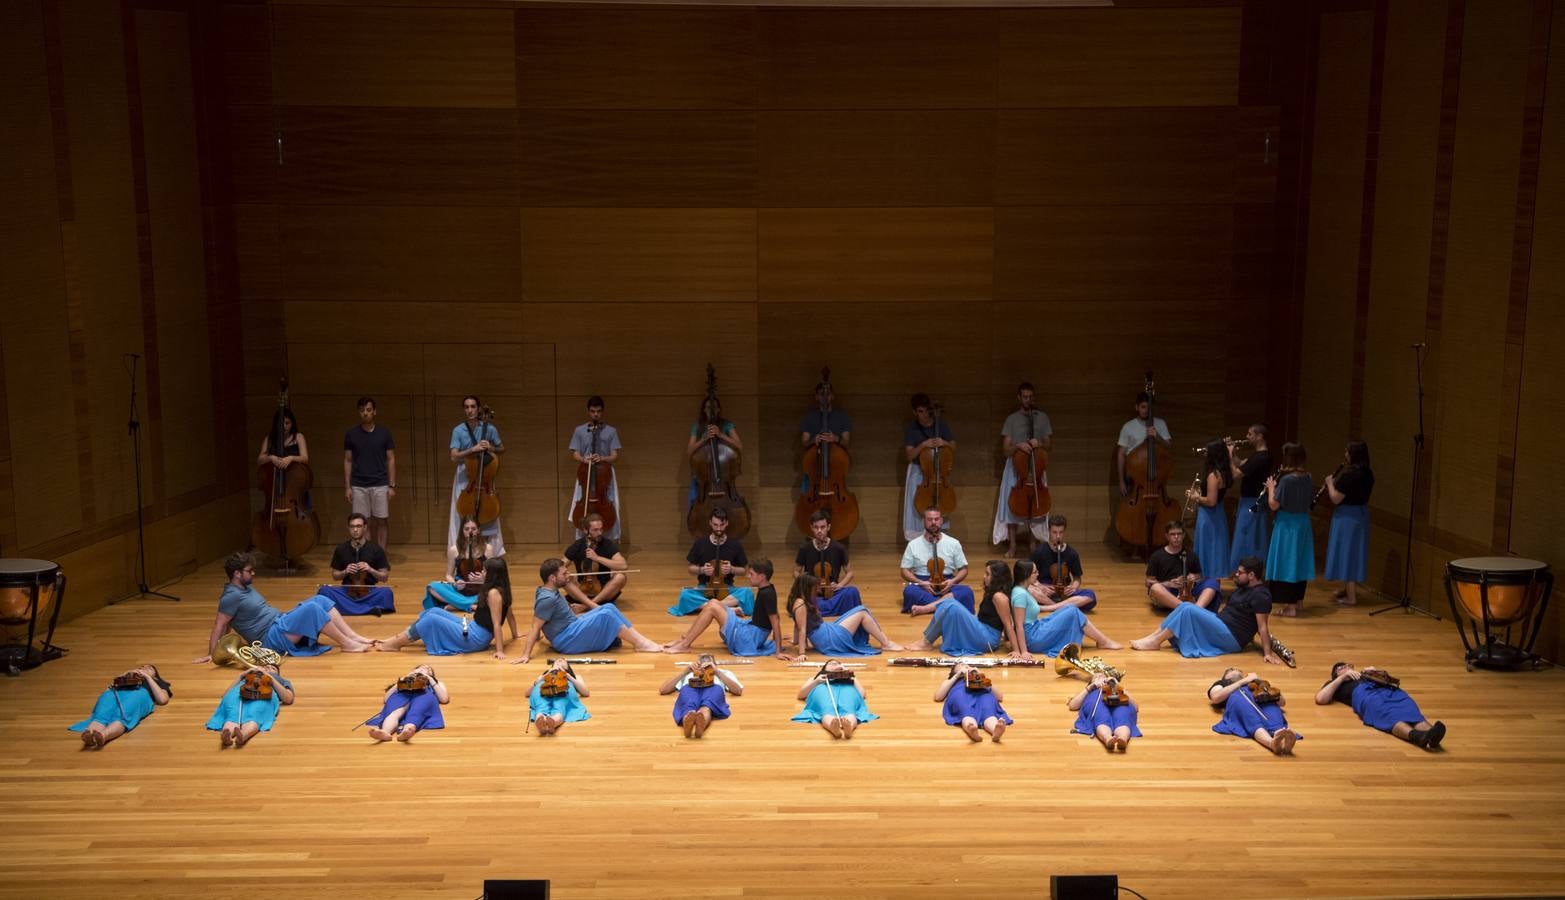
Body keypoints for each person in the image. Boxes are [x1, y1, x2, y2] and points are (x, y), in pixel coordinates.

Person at [194, 552, 375, 661]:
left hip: (279, 622)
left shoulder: (245, 587)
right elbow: (220, 625)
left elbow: (227, 625)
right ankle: (347, 644)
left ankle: (352, 636)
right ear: (236, 574)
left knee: (320, 600)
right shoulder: (230, 596)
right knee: (311, 610)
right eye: (249, 571)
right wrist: (213, 653)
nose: (253, 573)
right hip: (270, 639)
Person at [1130, 556, 1285, 663]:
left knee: (1189, 610)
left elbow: (1262, 626)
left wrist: (1268, 653)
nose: (1236, 575)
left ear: (1251, 575)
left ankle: (1156, 641)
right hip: (1222, 624)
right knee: (1184, 606)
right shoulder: (1244, 588)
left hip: (1231, 637)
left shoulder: (1261, 595)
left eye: (1240, 572)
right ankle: (1153, 637)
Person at [514, 558, 665, 664]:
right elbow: (535, 626)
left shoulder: (547, 589)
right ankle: (641, 643)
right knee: (606, 615)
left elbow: (543, 616)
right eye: (564, 574)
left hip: (572, 627)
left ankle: (641, 641)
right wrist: (525, 655)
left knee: (609, 608)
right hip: (566, 639)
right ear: (552, 578)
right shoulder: (547, 599)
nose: (568, 575)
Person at [374, 558, 519, 659]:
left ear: (493, 575)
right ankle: (397, 638)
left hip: (476, 637)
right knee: (433, 611)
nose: (482, 573)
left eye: (485, 571)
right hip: (473, 626)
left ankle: (395, 643)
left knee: (431, 620)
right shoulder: (502, 589)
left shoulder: (494, 594)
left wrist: (500, 650)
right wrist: (515, 634)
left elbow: (496, 624)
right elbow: (510, 616)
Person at [663, 559, 788, 659]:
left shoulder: (767, 593)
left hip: (748, 639)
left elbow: (775, 621)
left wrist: (778, 651)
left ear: (762, 577)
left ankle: (684, 644)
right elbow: (773, 616)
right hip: (749, 631)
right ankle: (685, 640)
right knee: (713, 602)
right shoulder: (767, 589)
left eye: (751, 574)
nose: (748, 576)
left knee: (712, 608)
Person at [1314, 662, 1446, 750]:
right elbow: (1320, 698)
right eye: (1342, 667)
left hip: (1389, 691)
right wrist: (1342, 678)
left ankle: (1432, 734)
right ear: (1335, 674)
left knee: (1409, 710)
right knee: (1389, 715)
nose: (1347, 667)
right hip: (1367, 696)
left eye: (1349, 665)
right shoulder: (1336, 684)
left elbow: (1390, 681)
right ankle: (1416, 736)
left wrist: (1375, 672)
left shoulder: (1365, 674)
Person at [1008, 560, 1121, 661]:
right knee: (1072, 612)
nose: (1038, 574)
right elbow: (1019, 626)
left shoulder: (1024, 590)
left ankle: (1103, 641)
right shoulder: (1020, 594)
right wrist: (1024, 651)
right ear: (1026, 575)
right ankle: (1103, 641)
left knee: (1070, 609)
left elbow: (1032, 609)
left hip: (1036, 627)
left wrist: (1060, 608)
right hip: (1033, 637)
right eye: (1035, 572)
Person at [903, 560, 1011, 658]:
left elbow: (1008, 624)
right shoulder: (992, 592)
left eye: (987, 574)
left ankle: (926, 642)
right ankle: (926, 640)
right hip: (983, 630)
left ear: (997, 578)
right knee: (949, 603)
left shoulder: (999, 597)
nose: (984, 576)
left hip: (988, 639)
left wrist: (1017, 650)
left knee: (951, 605)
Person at [785, 573, 903, 659]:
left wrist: (795, 641)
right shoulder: (800, 603)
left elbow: (797, 624)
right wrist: (801, 653)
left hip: (825, 632)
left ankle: (885, 642)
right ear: (806, 588)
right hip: (827, 638)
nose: (816, 591)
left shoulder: (799, 601)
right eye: (814, 588)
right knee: (862, 612)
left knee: (862, 610)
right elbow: (802, 629)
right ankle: (886, 643)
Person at [994, 382, 1052, 556]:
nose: (1028, 400)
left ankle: (1033, 544)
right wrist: (1018, 445)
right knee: (1012, 506)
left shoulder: (1042, 417)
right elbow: (1006, 450)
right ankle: (1012, 545)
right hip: (1016, 468)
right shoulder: (1011, 419)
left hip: (1036, 468)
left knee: (1036, 507)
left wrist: (1039, 442)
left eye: (1030, 397)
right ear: (1019, 397)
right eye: (1025, 397)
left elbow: (1049, 445)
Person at [448, 395, 504, 556]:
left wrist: (491, 448)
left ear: (478, 409)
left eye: (473, 406)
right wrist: (471, 450)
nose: (470, 410)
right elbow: (454, 456)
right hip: (466, 476)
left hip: (485, 476)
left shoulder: (490, 429)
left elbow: (502, 449)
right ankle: (462, 549)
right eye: (466, 407)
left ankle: (489, 551)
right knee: (463, 512)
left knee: (489, 512)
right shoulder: (458, 430)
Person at [68, 665, 172, 749]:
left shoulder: (158, 683)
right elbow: (111, 686)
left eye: (149, 668)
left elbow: (163, 699)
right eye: (141, 667)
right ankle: (90, 734)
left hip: (138, 695)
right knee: (101, 714)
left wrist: (148, 677)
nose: (143, 668)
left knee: (121, 716)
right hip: (116, 692)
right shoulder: (130, 677)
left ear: (155, 676)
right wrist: (126, 674)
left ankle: (103, 735)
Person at [671, 508, 752, 616]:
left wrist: (731, 569)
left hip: (727, 588)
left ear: (727, 523)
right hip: (705, 588)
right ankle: (728, 609)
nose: (718, 529)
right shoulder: (700, 543)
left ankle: (708, 607)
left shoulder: (735, 545)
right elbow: (690, 569)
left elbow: (743, 570)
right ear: (710, 523)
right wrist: (702, 570)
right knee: (685, 595)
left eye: (721, 525)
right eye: (715, 525)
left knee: (746, 592)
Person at [1264, 442, 1314, 617]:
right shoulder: (1308, 477)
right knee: (1299, 562)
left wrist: (1271, 488)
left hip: (1287, 525)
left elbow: (1274, 505)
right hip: (1303, 523)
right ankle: (1298, 602)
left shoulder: (1287, 480)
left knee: (1287, 563)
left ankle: (1290, 607)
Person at [1323, 440, 1375, 606]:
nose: (1345, 454)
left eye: (1347, 451)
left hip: (1347, 517)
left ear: (1354, 454)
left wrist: (1329, 483)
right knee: (1353, 552)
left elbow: (1335, 498)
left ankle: (1351, 597)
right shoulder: (1368, 473)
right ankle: (1347, 590)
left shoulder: (1350, 475)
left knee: (1347, 553)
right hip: (1360, 515)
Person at [343, 396, 394, 552]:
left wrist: (392, 485)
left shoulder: (384, 433)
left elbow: (391, 459)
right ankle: (367, 555)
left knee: (382, 520)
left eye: (368, 409)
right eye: (362, 410)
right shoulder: (351, 434)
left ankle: (381, 555)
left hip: (380, 483)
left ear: (374, 411)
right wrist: (348, 487)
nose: (365, 413)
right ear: (358, 412)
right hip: (358, 485)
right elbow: (348, 460)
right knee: (363, 522)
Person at [901, 507, 975, 615]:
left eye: (936, 519)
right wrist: (921, 583)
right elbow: (904, 571)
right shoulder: (913, 544)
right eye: (929, 519)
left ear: (941, 521)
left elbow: (964, 569)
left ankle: (927, 608)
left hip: (947, 582)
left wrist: (952, 582)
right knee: (909, 591)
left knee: (967, 591)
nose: (933, 522)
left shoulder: (953, 543)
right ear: (923, 521)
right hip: (923, 583)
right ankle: (949, 603)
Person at [1208, 667, 1298, 755]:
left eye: (1238, 670)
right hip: (1237, 698)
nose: (1235, 669)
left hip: (1258, 699)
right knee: (1251, 718)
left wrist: (1263, 685)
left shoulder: (1254, 683)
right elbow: (1215, 697)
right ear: (1224, 677)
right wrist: (1244, 681)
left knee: (1272, 709)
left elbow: (1282, 703)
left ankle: (1282, 738)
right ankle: (1271, 743)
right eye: (1231, 670)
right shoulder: (1222, 683)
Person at [902, 393, 956, 541]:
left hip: (939, 473)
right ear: (915, 412)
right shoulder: (912, 428)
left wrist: (944, 443)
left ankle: (939, 539)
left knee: (940, 503)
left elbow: (953, 447)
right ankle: (918, 541)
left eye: (926, 411)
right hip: (919, 472)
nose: (924, 415)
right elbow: (909, 455)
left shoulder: (941, 425)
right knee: (917, 506)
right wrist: (923, 445)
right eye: (920, 412)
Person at [568, 396, 623, 540]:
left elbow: (614, 456)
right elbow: (575, 454)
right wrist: (584, 459)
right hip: (585, 472)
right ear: (588, 411)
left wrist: (602, 458)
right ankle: (582, 542)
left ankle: (607, 543)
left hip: (604, 474)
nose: (595, 414)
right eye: (592, 411)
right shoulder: (579, 430)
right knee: (581, 501)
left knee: (611, 503)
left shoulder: (611, 431)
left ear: (602, 411)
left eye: (598, 411)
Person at [318, 513, 394, 615]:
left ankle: (346, 608)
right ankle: (368, 609)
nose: (355, 530)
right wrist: (345, 571)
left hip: (368, 591)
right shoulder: (341, 549)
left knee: (386, 592)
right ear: (348, 528)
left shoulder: (376, 549)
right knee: (324, 590)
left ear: (365, 527)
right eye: (352, 526)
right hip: (346, 591)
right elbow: (335, 576)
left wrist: (370, 569)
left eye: (358, 526)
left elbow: (384, 577)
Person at [256, 404, 312, 539]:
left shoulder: (298, 437)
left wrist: (291, 458)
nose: (284, 426)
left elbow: (305, 458)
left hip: (294, 487)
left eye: (287, 423)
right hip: (275, 490)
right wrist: (271, 457)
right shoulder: (270, 439)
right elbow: (260, 460)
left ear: (292, 423)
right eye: (281, 423)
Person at [206, 663, 294, 748]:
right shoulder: (247, 676)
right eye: (265, 666)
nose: (268, 668)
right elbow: (226, 695)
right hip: (240, 690)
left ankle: (243, 735)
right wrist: (243, 675)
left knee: (255, 713)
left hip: (265, 692)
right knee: (233, 713)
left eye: (273, 668)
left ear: (277, 674)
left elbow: (289, 698)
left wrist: (269, 676)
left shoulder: (280, 680)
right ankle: (227, 735)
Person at [795, 509, 862, 618]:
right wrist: (807, 585)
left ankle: (820, 609)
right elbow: (795, 572)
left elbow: (850, 573)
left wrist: (839, 585)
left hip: (833, 593)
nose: (819, 531)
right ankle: (833, 608)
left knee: (853, 592)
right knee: (799, 600)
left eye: (823, 527)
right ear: (811, 528)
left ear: (829, 527)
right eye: (816, 527)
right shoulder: (805, 548)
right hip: (813, 594)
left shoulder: (839, 548)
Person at [686, 394, 743, 521]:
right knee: (694, 510)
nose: (711, 410)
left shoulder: (727, 424)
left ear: (718, 409)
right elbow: (689, 452)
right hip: (702, 480)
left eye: (714, 407)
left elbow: (739, 446)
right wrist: (703, 439)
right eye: (708, 407)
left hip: (723, 478)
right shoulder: (697, 426)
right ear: (704, 409)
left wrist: (721, 435)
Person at [660, 653, 743, 739]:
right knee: (688, 707)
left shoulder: (724, 673)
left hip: (713, 688)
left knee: (706, 707)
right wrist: (685, 672)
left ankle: (701, 725)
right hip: (690, 688)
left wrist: (717, 672)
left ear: (715, 664)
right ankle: (687, 725)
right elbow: (663, 690)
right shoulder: (688, 673)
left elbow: (738, 690)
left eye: (708, 664)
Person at [799, 375, 852, 508]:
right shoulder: (809, 417)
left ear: (832, 396)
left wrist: (836, 439)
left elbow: (847, 442)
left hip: (836, 480)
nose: (824, 397)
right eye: (821, 394)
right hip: (815, 477)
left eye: (827, 394)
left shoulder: (842, 416)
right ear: (816, 396)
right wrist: (814, 440)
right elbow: (804, 442)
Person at [1028, 515, 1098, 613]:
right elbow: (1028, 576)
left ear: (1064, 532)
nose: (1058, 536)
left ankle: (1051, 607)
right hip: (1045, 592)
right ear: (1049, 531)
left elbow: (1077, 578)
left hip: (1064, 592)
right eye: (1054, 532)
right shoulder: (1038, 552)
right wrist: (1039, 586)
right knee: (1029, 590)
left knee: (1090, 595)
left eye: (1061, 532)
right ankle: (1064, 606)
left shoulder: (1072, 553)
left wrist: (1073, 587)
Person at [1186, 438, 1233, 582]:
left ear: (1213, 454)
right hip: (1218, 514)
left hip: (1209, 516)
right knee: (1215, 549)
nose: (1205, 453)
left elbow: (1211, 501)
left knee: (1208, 549)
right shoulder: (1223, 472)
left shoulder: (1213, 475)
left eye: (1207, 451)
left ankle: (1208, 585)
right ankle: (1212, 584)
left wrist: (1195, 497)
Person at [1145, 521, 1221, 610]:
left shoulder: (1191, 554)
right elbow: (1148, 582)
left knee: (1213, 581)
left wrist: (1191, 577)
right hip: (1168, 592)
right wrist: (1167, 584)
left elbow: (1199, 576)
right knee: (1155, 588)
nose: (1176, 537)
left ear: (1183, 535)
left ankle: (1196, 608)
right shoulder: (1157, 556)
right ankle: (1188, 609)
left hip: (1187, 591)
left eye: (1179, 534)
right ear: (1167, 536)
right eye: (1172, 534)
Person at [792, 659, 875, 740]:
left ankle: (850, 727)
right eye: (832, 664)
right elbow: (801, 695)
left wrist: (850, 675)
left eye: (838, 664)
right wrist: (816, 682)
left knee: (848, 708)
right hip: (823, 689)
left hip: (846, 689)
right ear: (824, 669)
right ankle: (833, 728)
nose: (836, 665)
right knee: (827, 708)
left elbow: (861, 694)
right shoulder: (815, 679)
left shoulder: (850, 678)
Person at [364, 664, 448, 743]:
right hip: (403, 695)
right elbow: (386, 699)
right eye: (420, 667)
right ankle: (385, 732)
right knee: (395, 712)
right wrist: (401, 681)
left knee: (417, 711)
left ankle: (407, 729)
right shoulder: (404, 680)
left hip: (424, 695)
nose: (423, 669)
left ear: (431, 674)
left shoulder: (436, 683)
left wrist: (430, 679)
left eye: (427, 669)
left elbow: (444, 699)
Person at [563, 512, 629, 610]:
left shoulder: (607, 544)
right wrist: (565, 573)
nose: (600, 533)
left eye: (601, 529)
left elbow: (623, 565)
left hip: (604, 592)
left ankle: (586, 606)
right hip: (581, 590)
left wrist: (597, 558)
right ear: (586, 530)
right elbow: (561, 565)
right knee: (563, 577)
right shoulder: (578, 545)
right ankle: (591, 605)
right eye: (595, 530)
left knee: (621, 577)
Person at [934, 661, 1010, 743]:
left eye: (967, 665)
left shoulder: (980, 678)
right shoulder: (952, 680)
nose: (966, 666)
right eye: (961, 665)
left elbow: (999, 697)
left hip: (982, 693)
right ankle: (971, 729)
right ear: (954, 672)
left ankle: (995, 730)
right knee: (966, 712)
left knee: (988, 711)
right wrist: (957, 675)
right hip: (961, 694)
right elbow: (938, 697)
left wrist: (982, 676)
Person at [1116, 390, 1172, 500]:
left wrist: (1158, 437)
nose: (1146, 410)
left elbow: (1168, 446)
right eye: (1143, 407)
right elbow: (1121, 455)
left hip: (1156, 477)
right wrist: (1121, 480)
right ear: (1136, 407)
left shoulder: (1161, 423)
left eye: (1149, 407)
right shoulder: (1128, 427)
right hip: (1134, 478)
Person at [1229, 424, 1272, 564]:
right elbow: (1241, 463)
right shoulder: (1258, 456)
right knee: (1248, 536)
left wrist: (1228, 455)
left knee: (1247, 536)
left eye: (1250, 434)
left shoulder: (1261, 458)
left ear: (1259, 436)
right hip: (1251, 501)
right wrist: (1233, 454)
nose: (1247, 437)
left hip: (1252, 502)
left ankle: (1248, 567)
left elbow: (1235, 474)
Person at [424, 515, 488, 611]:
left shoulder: (488, 549)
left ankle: (457, 604)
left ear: (478, 530)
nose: (470, 532)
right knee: (432, 587)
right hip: (460, 591)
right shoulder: (454, 550)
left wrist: (483, 579)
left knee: (496, 591)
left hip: (481, 590)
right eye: (467, 529)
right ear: (462, 531)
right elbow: (449, 575)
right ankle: (469, 605)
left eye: (473, 529)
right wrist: (455, 584)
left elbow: (494, 575)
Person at [1068, 673, 1139, 752]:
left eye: (1103, 676)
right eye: (1097, 677)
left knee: (1122, 716)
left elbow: (1135, 707)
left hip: (1118, 701)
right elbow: (1072, 705)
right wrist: (1091, 687)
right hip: (1098, 704)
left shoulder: (1116, 688)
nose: (1100, 676)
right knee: (1101, 717)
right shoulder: (1091, 690)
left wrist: (1117, 685)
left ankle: (1123, 738)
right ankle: (1107, 738)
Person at [526, 658, 590, 736]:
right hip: (543, 686)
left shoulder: (575, 676)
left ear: (568, 667)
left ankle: (554, 721)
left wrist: (567, 675)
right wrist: (543, 677)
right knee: (541, 705)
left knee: (560, 705)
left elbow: (586, 693)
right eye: (557, 661)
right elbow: (527, 693)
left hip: (565, 688)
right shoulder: (543, 676)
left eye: (563, 661)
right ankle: (540, 720)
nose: (560, 660)